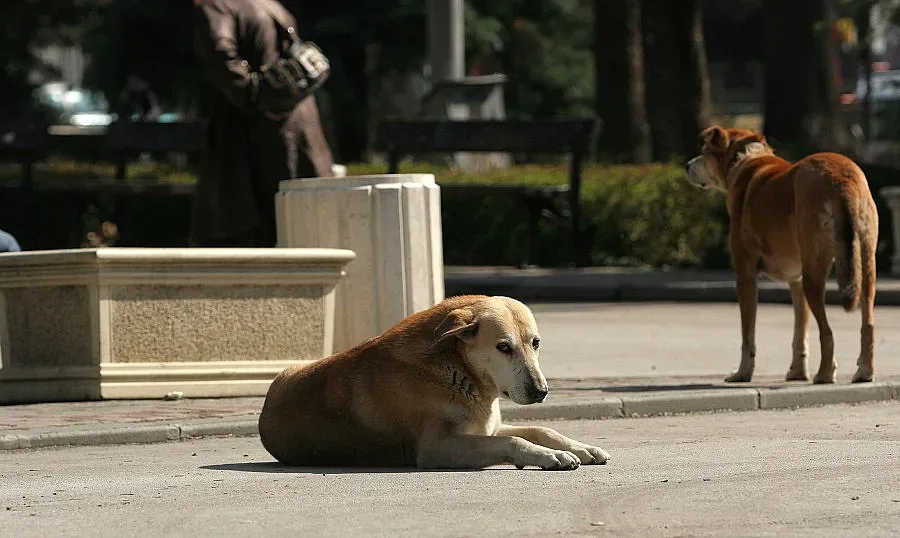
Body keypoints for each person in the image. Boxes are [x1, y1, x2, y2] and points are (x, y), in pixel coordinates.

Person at [190, 0, 335, 247]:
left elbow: (221, 54)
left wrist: (253, 96)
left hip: (254, 134)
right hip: (300, 124)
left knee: (249, 235)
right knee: (301, 229)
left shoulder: (216, 7)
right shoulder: (268, 4)